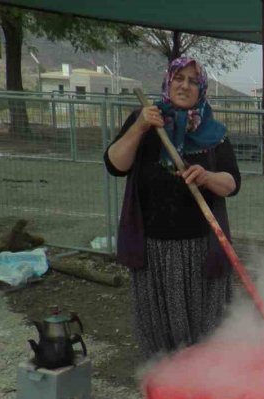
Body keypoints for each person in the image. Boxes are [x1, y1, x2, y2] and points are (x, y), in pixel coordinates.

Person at [104, 56, 241, 358]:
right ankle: (162, 383)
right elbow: (115, 164)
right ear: (168, 81)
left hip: (200, 248)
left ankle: (204, 383)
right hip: (152, 247)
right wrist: (140, 126)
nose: (185, 85)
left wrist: (206, 177)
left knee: (204, 326)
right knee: (157, 324)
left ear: (201, 89)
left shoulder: (213, 131)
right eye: (179, 78)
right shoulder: (145, 119)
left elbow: (232, 183)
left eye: (193, 81)